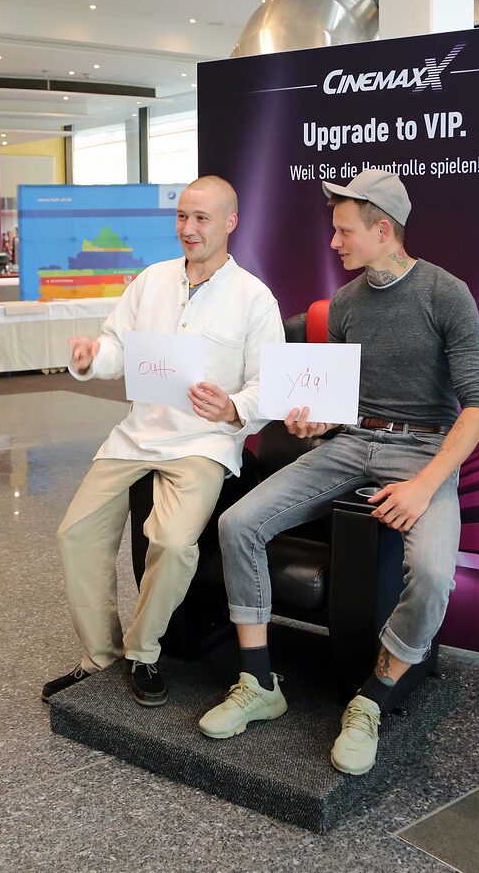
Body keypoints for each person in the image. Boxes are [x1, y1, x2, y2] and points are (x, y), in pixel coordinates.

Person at [199, 170, 479, 776]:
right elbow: (342, 409)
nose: (334, 242)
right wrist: (315, 425)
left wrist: (423, 484)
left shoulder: (446, 294)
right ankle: (258, 682)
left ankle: (373, 699)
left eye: (343, 230)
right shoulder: (346, 306)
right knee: (239, 524)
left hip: (425, 452)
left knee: (434, 573)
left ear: (382, 230)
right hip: (353, 443)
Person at [43, 176, 283, 706]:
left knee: (174, 543)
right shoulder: (151, 280)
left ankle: (143, 651)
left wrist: (234, 408)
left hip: (203, 442)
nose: (189, 229)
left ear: (230, 223)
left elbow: (271, 384)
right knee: (74, 534)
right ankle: (99, 658)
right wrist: (90, 357)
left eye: (201, 219)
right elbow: (115, 346)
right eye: (182, 217)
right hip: (137, 434)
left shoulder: (253, 298)